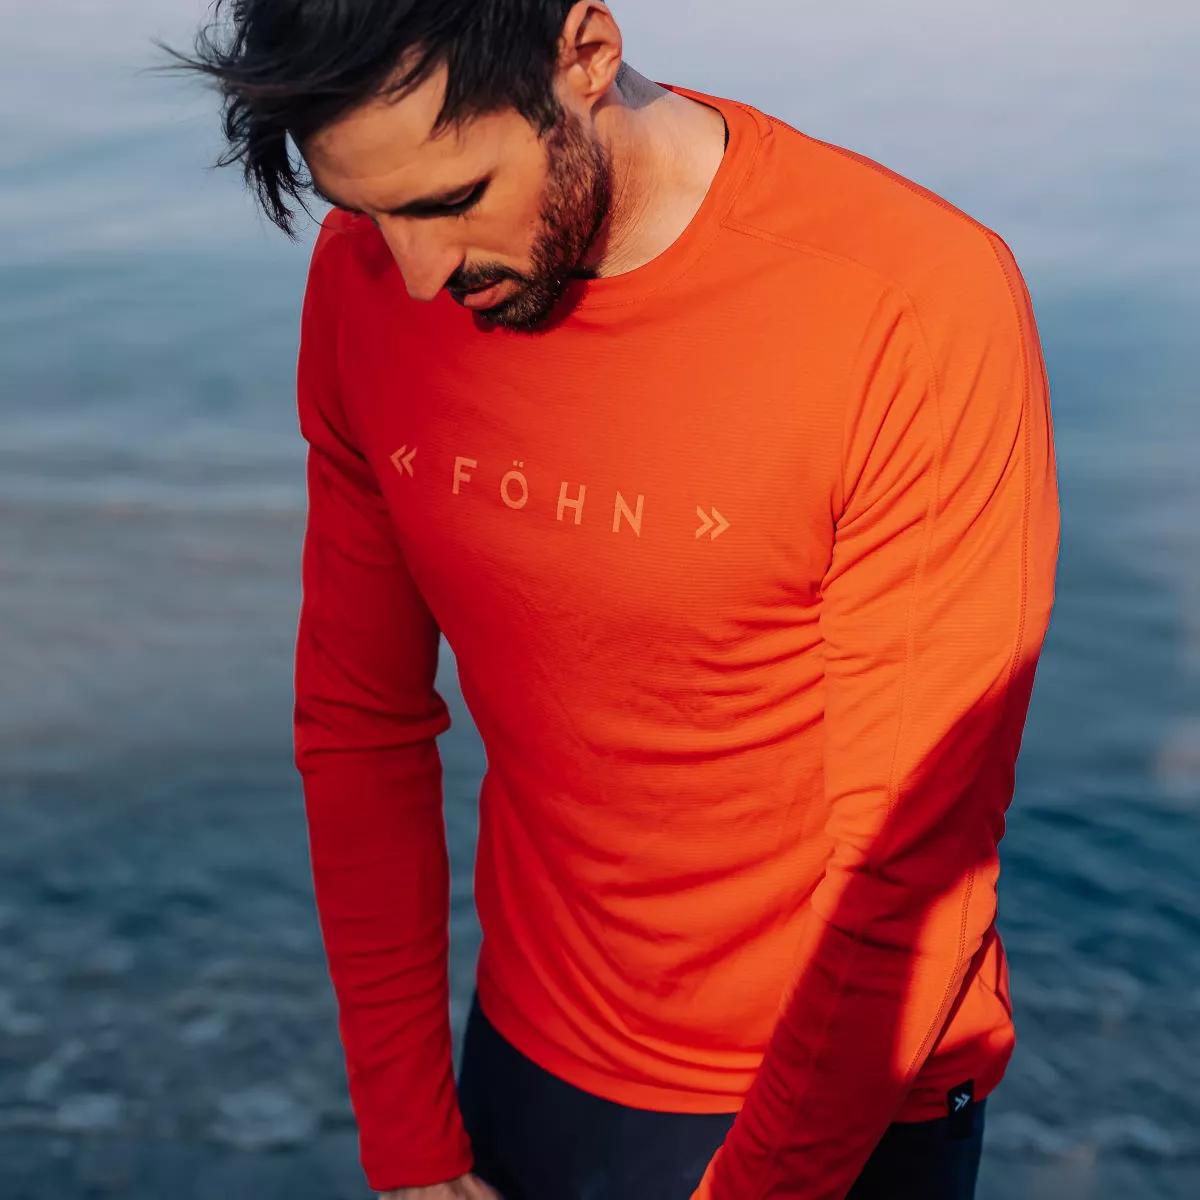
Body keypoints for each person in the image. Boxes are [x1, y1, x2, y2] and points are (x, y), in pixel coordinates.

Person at [171, 2, 1059, 1197]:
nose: (419, 274)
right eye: (368, 211)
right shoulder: (368, 276)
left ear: (584, 53)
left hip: (840, 1097)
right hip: (530, 1061)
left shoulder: (910, 304)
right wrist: (409, 1142)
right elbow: (359, 726)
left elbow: (910, 853)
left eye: (452, 198)